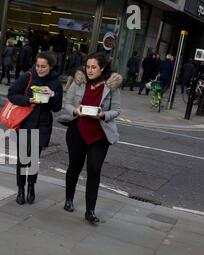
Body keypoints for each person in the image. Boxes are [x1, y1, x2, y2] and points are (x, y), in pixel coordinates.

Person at [63, 52, 122, 225]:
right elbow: (66, 103)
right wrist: (75, 110)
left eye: (93, 67)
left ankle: (90, 211)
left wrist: (103, 115)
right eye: (87, 66)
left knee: (94, 170)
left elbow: (117, 110)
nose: (89, 70)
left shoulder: (112, 86)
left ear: (102, 68)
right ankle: (69, 198)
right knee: (75, 166)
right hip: (77, 131)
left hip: (100, 135)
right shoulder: (78, 81)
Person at [7, 52, 63, 205]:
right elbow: (11, 94)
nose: (40, 69)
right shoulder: (28, 76)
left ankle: (31, 186)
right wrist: (28, 100)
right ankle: (20, 189)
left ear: (50, 67)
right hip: (26, 121)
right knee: (23, 158)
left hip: (43, 123)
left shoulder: (55, 82)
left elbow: (57, 108)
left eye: (43, 66)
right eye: (38, 65)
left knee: (33, 159)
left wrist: (52, 95)